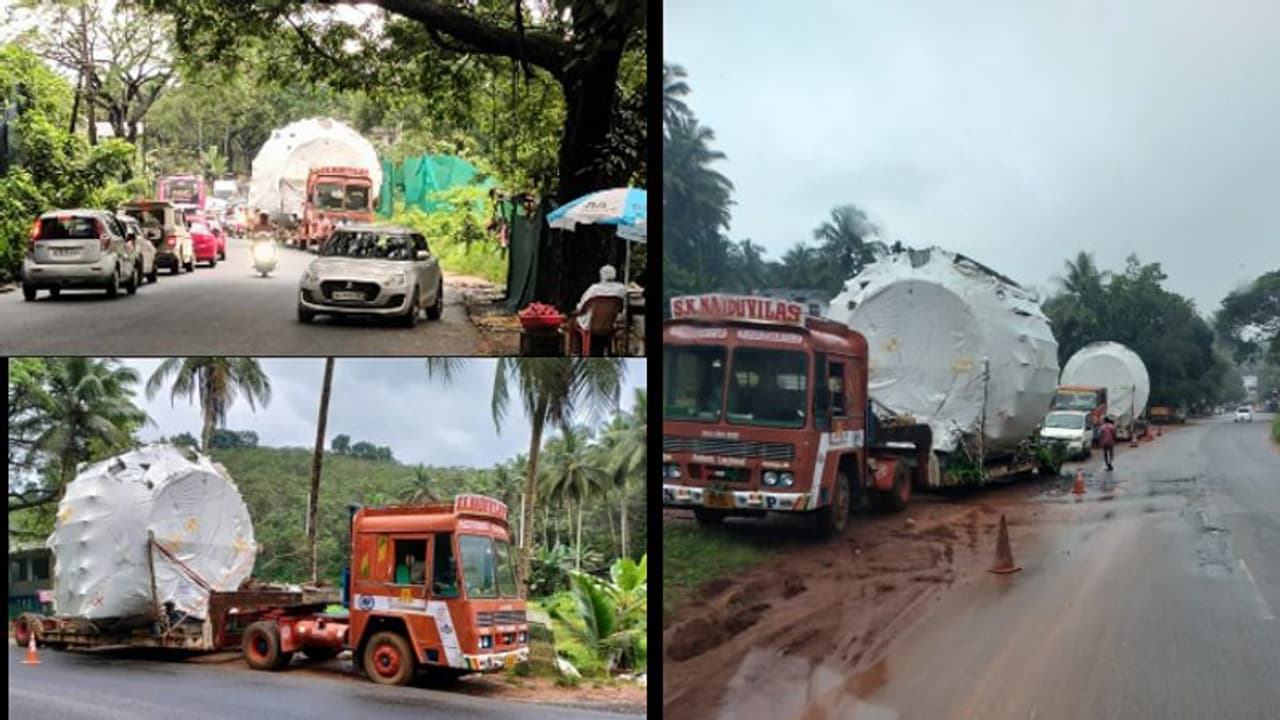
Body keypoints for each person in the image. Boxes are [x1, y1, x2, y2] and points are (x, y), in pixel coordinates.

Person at [565, 264, 627, 355]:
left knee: (570, 322)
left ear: (601, 275)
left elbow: (581, 307)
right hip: (609, 325)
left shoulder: (594, 289)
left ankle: (573, 352)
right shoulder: (621, 289)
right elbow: (622, 308)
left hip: (590, 324)